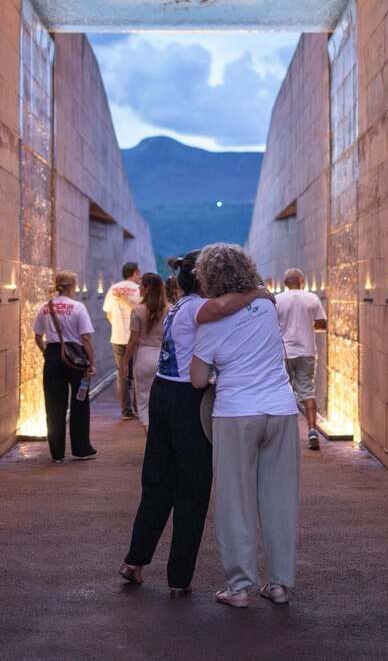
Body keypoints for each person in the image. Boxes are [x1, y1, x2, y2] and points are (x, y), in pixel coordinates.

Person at [121, 250, 268, 594]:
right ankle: (179, 578)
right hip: (188, 401)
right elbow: (219, 309)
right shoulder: (194, 308)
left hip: (163, 394)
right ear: (202, 281)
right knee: (192, 488)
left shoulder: (178, 307)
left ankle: (135, 561)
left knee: (157, 483)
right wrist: (255, 293)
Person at [191, 244, 300, 608]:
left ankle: (239, 588)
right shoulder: (267, 305)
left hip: (236, 412)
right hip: (281, 410)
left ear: (208, 278)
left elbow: (196, 379)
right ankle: (281, 584)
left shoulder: (208, 323)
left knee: (235, 501)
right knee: (279, 500)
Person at [32, 272, 98, 463]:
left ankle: (57, 452)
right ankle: (81, 449)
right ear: (72, 287)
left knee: (54, 406)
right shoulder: (78, 307)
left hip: (53, 356)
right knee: (80, 402)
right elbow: (85, 338)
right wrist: (91, 362)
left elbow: (37, 336)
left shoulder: (45, 308)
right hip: (75, 358)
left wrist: (48, 353)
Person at [275, 268, 328, 450]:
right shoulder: (311, 298)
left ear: (285, 284)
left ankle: (284, 436)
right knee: (307, 390)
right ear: (302, 282)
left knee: (282, 391)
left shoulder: (278, 300)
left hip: (284, 353)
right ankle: (312, 431)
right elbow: (322, 323)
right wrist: (306, 325)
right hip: (306, 351)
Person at [120, 273, 168, 430]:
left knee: (144, 400)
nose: (139, 289)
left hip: (144, 357)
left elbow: (133, 340)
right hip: (164, 357)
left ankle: (149, 438)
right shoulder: (169, 309)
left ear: (147, 289)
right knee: (162, 400)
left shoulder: (138, 310)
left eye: (141, 286)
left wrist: (125, 362)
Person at [103, 262, 141, 419]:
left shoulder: (113, 289)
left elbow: (108, 313)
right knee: (138, 372)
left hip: (117, 337)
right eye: (138, 272)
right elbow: (141, 311)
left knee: (122, 374)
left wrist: (118, 326)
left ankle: (126, 411)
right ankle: (138, 407)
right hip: (135, 337)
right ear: (134, 273)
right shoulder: (139, 289)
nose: (139, 276)